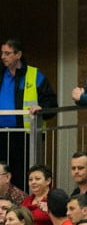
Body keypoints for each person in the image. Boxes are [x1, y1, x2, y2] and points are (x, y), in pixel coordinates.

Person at [0, 39, 57, 183]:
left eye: (7, 53)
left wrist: (41, 108)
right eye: (2, 53)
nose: (3, 56)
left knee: (22, 176)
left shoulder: (34, 74)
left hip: (25, 136)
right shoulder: (1, 74)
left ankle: (22, 205)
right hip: (1, 134)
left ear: (18, 54)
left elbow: (51, 102)